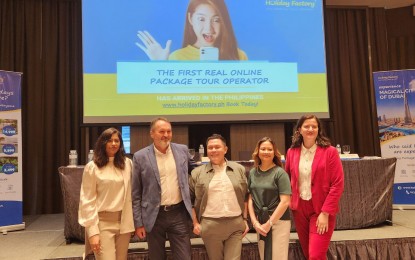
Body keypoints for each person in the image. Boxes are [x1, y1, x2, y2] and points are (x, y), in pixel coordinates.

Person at [131, 117, 194, 260]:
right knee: (156, 257)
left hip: (178, 214)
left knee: (184, 256)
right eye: (161, 131)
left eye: (169, 131)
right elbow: (136, 194)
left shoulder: (182, 150)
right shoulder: (140, 157)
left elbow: (196, 170)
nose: (166, 135)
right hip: (154, 216)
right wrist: (138, 223)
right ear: (152, 133)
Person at [285, 115, 344, 260]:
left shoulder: (330, 152)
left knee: (316, 256)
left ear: (319, 129)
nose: (310, 129)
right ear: (299, 129)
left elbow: (337, 184)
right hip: (299, 210)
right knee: (309, 254)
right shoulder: (291, 152)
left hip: (321, 209)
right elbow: (287, 180)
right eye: (306, 126)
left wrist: (325, 213)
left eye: (314, 126)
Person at [189, 134, 249, 260]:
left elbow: (245, 197)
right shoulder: (197, 173)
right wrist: (195, 223)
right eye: (210, 148)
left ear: (225, 149)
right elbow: (190, 201)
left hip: (235, 225)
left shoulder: (239, 169)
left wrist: (245, 220)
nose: (213, 150)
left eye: (217, 147)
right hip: (210, 226)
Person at [78, 127, 134, 260]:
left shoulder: (127, 164)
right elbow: (87, 200)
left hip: (124, 223)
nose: (114, 144)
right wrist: (92, 232)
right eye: (109, 140)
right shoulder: (92, 167)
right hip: (102, 224)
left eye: (116, 140)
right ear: (102, 143)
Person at [136, 0, 247, 61]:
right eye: (201, 19)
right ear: (190, 19)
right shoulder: (177, 57)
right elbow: (167, 96)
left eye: (216, 20)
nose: (209, 28)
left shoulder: (238, 56)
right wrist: (160, 66)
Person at [247, 137, 291, 260]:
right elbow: (250, 199)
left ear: (274, 152)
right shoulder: (252, 173)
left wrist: (270, 223)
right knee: (264, 257)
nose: (266, 152)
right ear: (258, 151)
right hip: (260, 222)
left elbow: (285, 202)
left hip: (278, 222)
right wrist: (255, 223)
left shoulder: (280, 173)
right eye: (263, 149)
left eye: (269, 149)